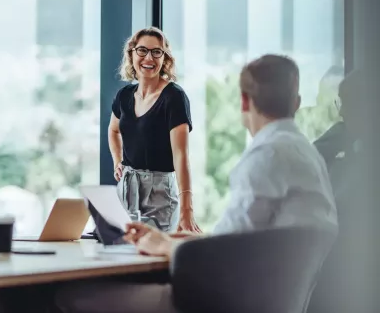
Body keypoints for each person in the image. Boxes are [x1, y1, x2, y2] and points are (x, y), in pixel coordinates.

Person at [55, 54, 338, 313]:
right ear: (297, 102)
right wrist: (169, 239)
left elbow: (224, 256)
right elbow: (243, 239)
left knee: (68, 297)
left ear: (244, 102)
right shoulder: (307, 155)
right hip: (266, 300)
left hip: (219, 301)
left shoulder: (266, 156)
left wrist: (164, 246)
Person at [109, 27, 199, 232]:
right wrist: (117, 161)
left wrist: (187, 209)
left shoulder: (174, 97)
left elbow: (181, 155)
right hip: (126, 188)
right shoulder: (124, 95)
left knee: (154, 258)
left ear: (164, 58)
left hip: (159, 193)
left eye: (156, 52)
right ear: (131, 54)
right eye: (142, 50)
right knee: (122, 254)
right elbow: (113, 131)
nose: (148, 57)